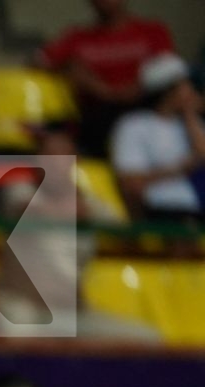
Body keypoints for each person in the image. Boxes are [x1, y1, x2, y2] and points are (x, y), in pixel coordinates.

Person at [39, 0, 177, 158]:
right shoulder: (77, 38)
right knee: (53, 147)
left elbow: (170, 73)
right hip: (96, 121)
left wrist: (118, 91)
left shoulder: (152, 31)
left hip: (145, 118)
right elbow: (40, 61)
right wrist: (68, 70)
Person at [110, 52, 205, 221]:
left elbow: (202, 154)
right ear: (168, 91)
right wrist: (181, 169)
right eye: (186, 85)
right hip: (161, 207)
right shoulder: (133, 125)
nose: (192, 91)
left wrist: (189, 113)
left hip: (196, 203)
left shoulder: (190, 124)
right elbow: (130, 181)